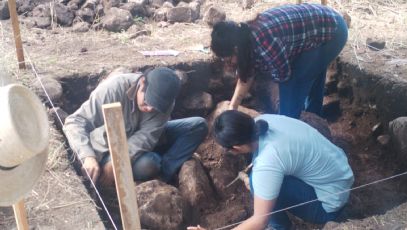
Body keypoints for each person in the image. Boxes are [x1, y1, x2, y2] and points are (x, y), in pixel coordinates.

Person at [189, 110, 354, 229]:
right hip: (341, 174)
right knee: (262, 181)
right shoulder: (265, 120)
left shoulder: (267, 163)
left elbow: (259, 220)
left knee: (256, 184)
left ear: (236, 147)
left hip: (329, 206)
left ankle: (279, 227)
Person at [63, 67, 208, 186]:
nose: (150, 109)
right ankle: (152, 167)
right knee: (149, 164)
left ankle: (163, 176)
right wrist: (88, 156)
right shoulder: (113, 89)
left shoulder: (166, 101)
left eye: (155, 107)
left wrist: (118, 162)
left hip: (144, 143)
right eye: (147, 102)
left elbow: (146, 137)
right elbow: (74, 121)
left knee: (198, 125)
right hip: (109, 148)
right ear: (142, 83)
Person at [211, 3, 348, 118]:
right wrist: (232, 108)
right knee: (311, 71)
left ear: (235, 48)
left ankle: (292, 125)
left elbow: (285, 79)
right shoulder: (243, 39)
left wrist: (283, 117)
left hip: (333, 31)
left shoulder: (264, 43)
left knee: (298, 79)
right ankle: (313, 116)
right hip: (316, 30)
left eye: (227, 58)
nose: (228, 63)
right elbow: (245, 76)